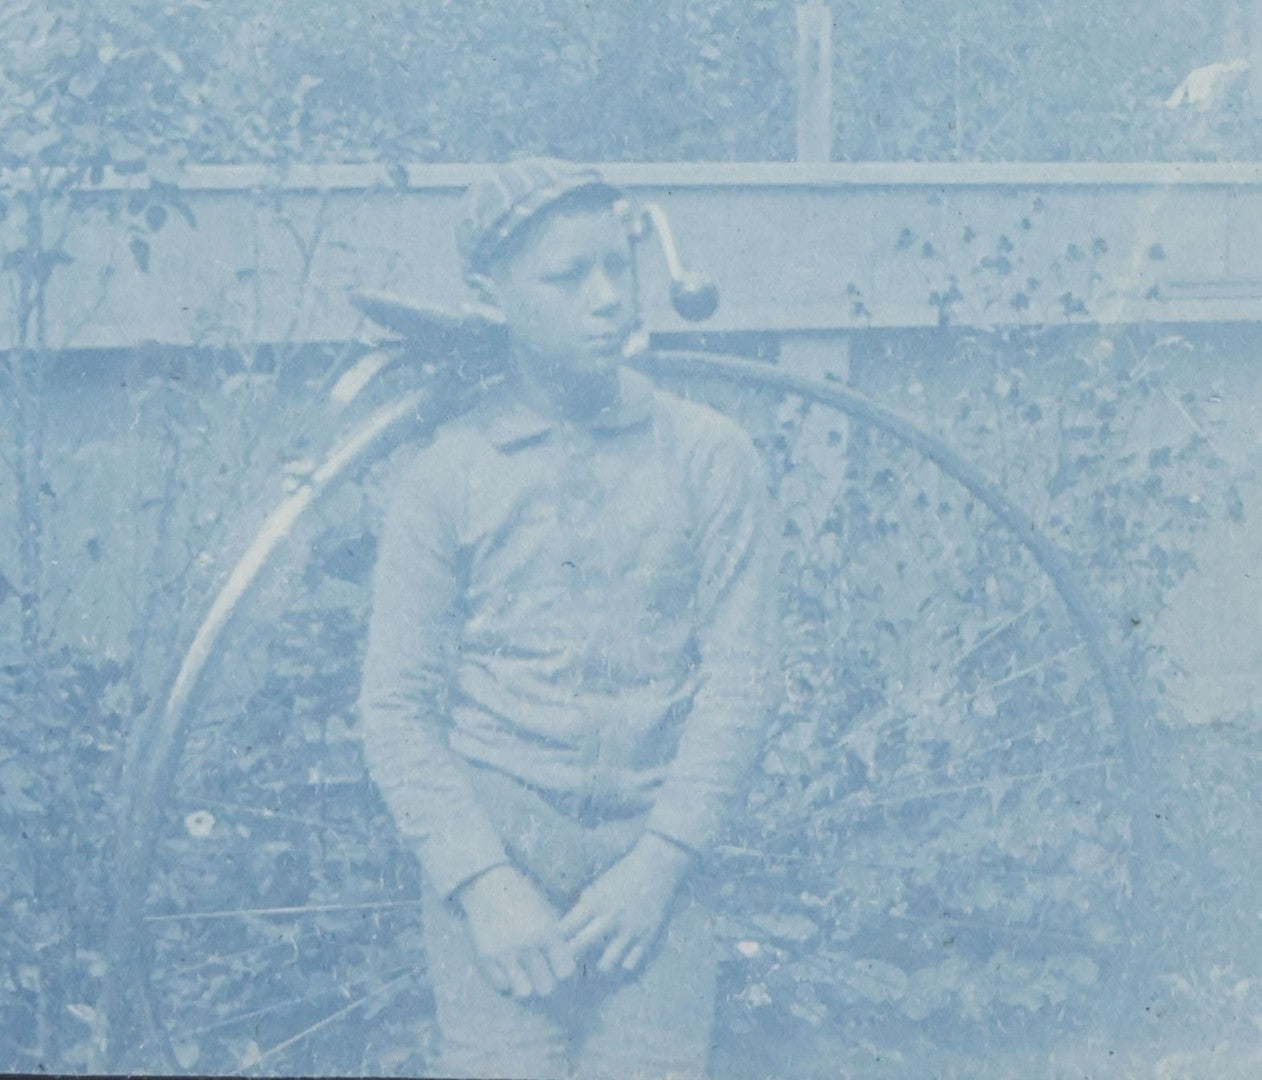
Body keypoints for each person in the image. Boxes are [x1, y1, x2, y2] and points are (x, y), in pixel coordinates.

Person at [358, 157, 776, 1079]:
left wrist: (662, 864)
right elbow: (395, 710)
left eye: (616, 268)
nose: (606, 301)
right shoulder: (450, 474)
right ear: (491, 294)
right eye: (566, 277)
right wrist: (483, 885)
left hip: (653, 869)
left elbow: (741, 684)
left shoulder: (710, 457)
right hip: (499, 855)